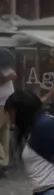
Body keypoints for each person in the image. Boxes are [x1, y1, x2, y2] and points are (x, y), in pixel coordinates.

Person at [0, 48, 16, 177]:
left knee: (5, 133)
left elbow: (13, 76)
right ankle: (4, 163)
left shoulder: (4, 67)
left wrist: (2, 79)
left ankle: (2, 161)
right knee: (5, 134)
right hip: (8, 104)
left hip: (2, 105)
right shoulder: (6, 67)